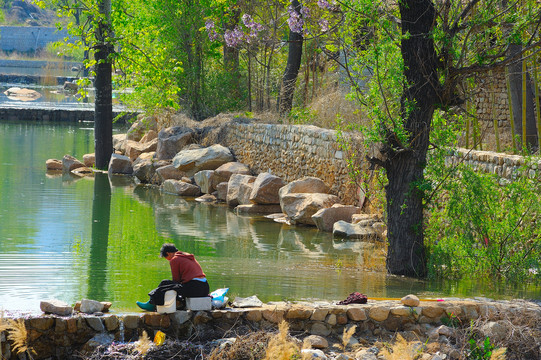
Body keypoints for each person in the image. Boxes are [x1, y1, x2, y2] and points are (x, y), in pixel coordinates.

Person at [136, 243, 210, 311]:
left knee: (164, 284)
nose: (167, 259)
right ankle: (154, 303)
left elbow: (176, 280)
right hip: (205, 288)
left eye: (165, 257)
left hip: (194, 288)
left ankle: (151, 304)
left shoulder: (174, 259)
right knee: (169, 285)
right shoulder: (186, 256)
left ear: (168, 253)